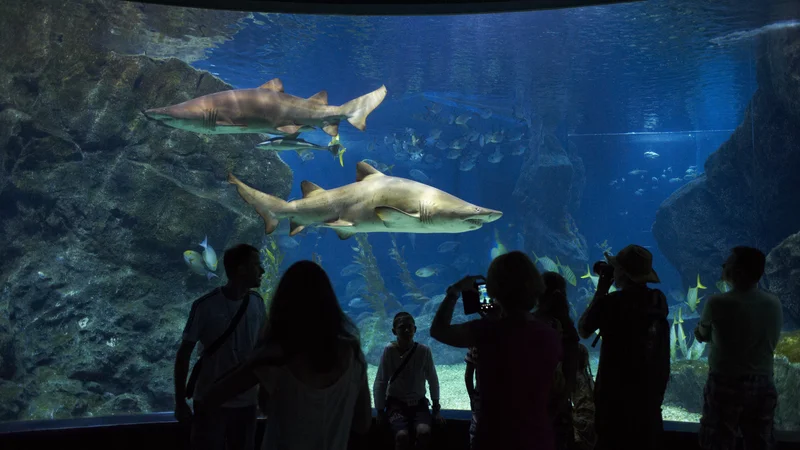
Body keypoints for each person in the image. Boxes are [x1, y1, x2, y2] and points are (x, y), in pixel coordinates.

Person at [194, 260, 372, 450]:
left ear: (283, 303)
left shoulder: (275, 358)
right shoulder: (353, 356)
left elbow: (211, 398)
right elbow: (363, 424)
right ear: (329, 301)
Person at [430, 250, 563, 450]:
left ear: (494, 289)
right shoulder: (551, 334)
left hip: (495, 438)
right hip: (537, 437)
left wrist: (455, 291)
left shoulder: (486, 331)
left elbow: (439, 330)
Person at [174, 243, 268, 450]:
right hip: (209, 400)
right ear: (241, 269)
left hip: (247, 401)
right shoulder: (204, 306)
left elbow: (262, 349)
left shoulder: (257, 303)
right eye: (256, 265)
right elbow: (184, 354)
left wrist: (264, 391)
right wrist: (180, 402)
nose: (262, 270)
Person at [577, 244, 670, 450]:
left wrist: (601, 290)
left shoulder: (611, 303)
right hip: (648, 398)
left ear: (622, 272)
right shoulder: (658, 300)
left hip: (614, 399)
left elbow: (583, 329)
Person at [694, 246, 783, 450]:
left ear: (739, 271)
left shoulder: (717, 302)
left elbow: (703, 334)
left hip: (725, 382)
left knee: (717, 440)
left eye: (728, 263)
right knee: (760, 439)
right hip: (763, 382)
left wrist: (702, 332)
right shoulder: (774, 303)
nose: (723, 265)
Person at [374, 312, 444, 450]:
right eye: (402, 327)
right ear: (394, 331)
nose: (407, 330)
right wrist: (380, 410)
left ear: (415, 329)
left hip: (419, 403)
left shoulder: (424, 351)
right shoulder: (388, 351)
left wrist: (436, 407)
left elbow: (433, 380)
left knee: (424, 433)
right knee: (401, 436)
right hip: (396, 404)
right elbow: (380, 381)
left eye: (410, 327)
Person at [536, 271, 580, 450]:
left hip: (530, 406)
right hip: (559, 407)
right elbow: (570, 376)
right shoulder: (568, 329)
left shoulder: (531, 323)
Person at [464, 304, 501, 450]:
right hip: (506, 397)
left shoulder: (477, 343)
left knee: (477, 434)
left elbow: (468, 374)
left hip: (481, 396)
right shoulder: (514, 339)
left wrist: (472, 396)